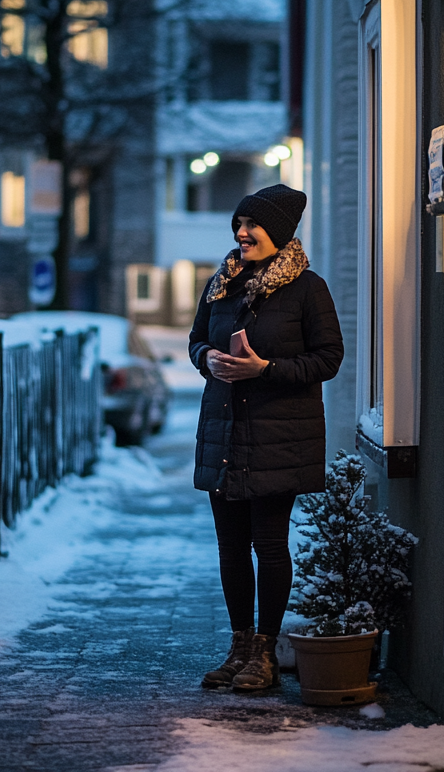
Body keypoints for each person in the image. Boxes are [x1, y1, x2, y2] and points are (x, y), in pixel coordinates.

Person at [189, 184, 343, 692]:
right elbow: (197, 340)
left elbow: (328, 358)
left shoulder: (308, 289)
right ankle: (238, 648)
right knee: (231, 548)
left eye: (252, 225)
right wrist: (206, 359)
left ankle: (265, 653)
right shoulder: (222, 284)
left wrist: (266, 368)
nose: (241, 233)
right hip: (225, 432)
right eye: (238, 223)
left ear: (277, 232)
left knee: (269, 545)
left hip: (279, 436)